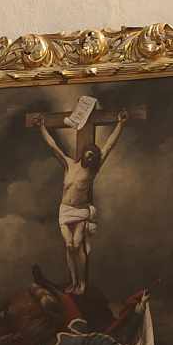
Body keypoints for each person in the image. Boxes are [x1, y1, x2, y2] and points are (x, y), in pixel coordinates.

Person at [35, 107, 134, 294]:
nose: (90, 157)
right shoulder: (68, 165)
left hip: (80, 211)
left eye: (92, 156)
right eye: (88, 154)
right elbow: (53, 146)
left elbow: (108, 146)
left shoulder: (92, 171)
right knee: (69, 245)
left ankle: (81, 284)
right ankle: (73, 282)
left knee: (77, 245)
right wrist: (42, 128)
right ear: (84, 153)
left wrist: (120, 124)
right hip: (65, 211)